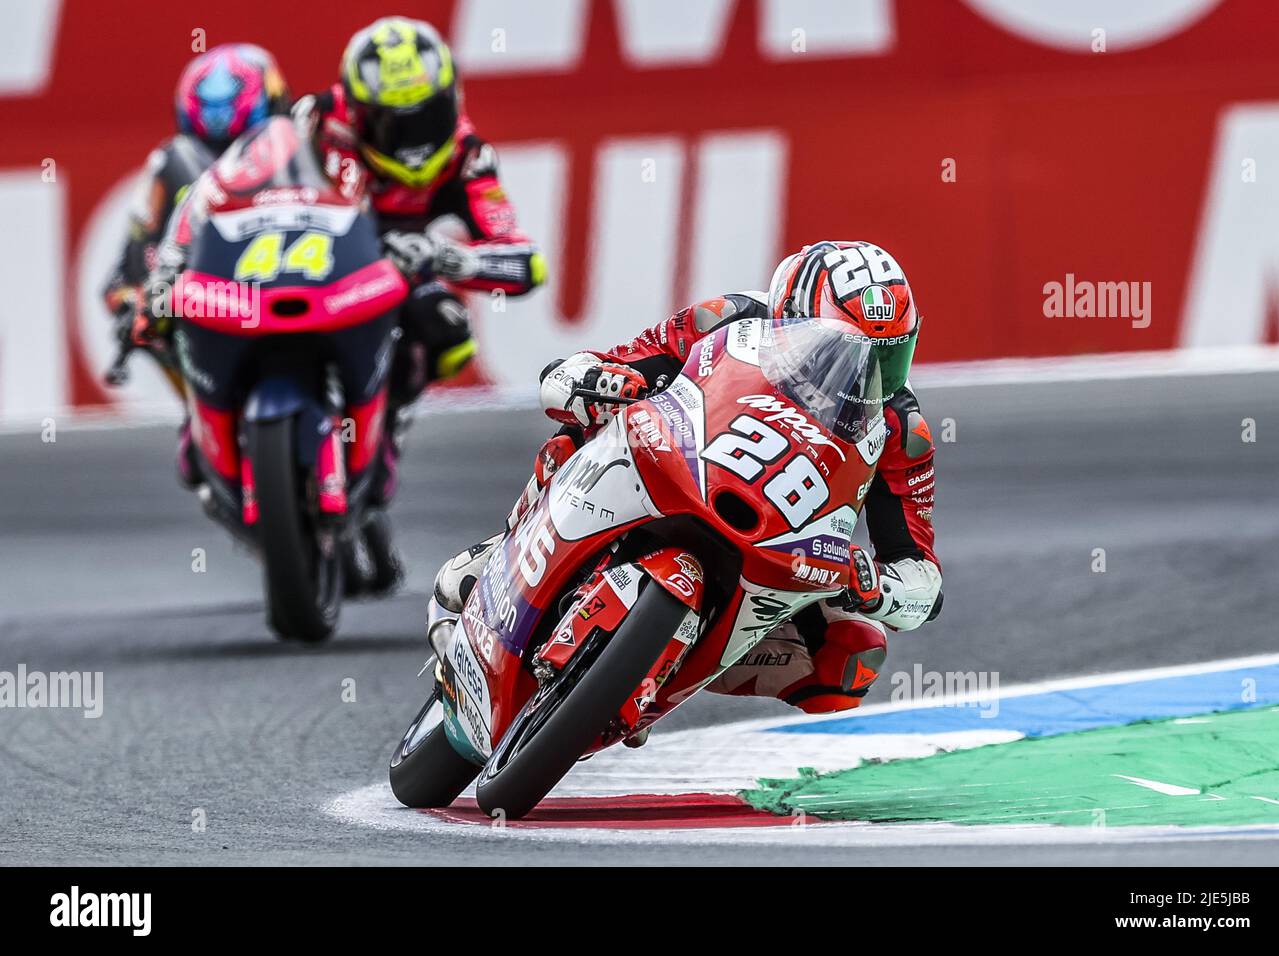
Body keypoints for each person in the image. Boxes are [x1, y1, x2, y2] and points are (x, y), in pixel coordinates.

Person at [430, 241, 942, 719]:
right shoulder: (727, 320)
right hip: (673, 463)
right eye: (844, 351)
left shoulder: (902, 429)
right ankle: (505, 555)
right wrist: (596, 382)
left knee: (853, 653)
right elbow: (587, 369)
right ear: (792, 318)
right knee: (579, 429)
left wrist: (879, 589)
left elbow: (922, 577)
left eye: (888, 356)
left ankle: (654, 671)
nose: (865, 373)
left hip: (778, 549)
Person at [293, 15, 546, 505]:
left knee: (449, 333)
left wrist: (451, 259)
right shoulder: (316, 122)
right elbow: (254, 175)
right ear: (359, 112)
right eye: (392, 123)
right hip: (309, 263)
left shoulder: (467, 155)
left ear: (451, 101)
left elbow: (526, 262)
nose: (411, 143)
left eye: (424, 118)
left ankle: (388, 422)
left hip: (397, 274)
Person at [103, 43, 291, 399]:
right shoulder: (172, 162)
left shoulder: (302, 149)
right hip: (210, 312)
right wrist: (144, 298)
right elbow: (123, 278)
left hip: (296, 293)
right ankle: (203, 420)